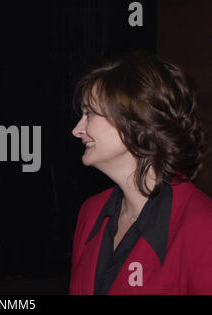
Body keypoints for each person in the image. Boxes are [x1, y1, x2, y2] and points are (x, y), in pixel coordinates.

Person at [69, 52, 212, 295]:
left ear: (136, 121)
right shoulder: (91, 212)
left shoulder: (202, 226)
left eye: (89, 114)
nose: (76, 130)